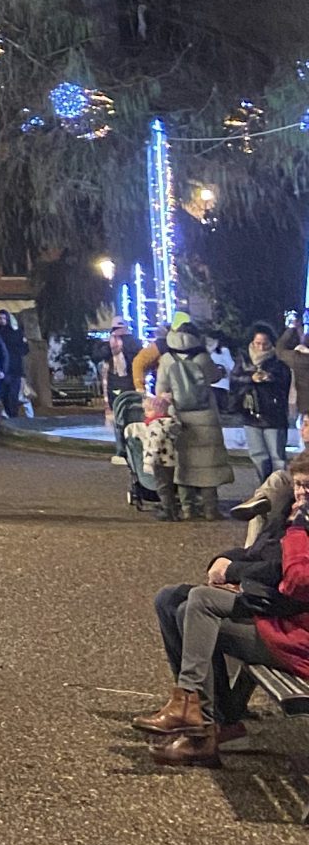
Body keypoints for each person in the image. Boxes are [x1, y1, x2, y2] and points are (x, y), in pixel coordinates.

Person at [134, 449, 309, 766]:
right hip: (277, 617)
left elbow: (292, 580)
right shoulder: (292, 515)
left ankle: (200, 718)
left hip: (291, 632)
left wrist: (238, 578)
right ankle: (205, 719)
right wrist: (224, 564)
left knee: (196, 606)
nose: (301, 494)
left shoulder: (302, 524)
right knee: (175, 600)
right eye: (298, 485)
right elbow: (260, 554)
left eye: (308, 487)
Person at [158, 313, 232, 518]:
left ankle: (188, 509)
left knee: (183, 465)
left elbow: (161, 389)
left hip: (179, 416)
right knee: (207, 464)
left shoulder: (166, 359)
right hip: (205, 415)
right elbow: (214, 377)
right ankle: (211, 510)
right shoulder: (202, 357)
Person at [230, 328, 293, 482]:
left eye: (265, 344)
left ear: (271, 344)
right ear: (252, 342)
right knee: (258, 455)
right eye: (258, 343)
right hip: (250, 414)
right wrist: (251, 378)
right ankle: (264, 487)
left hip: (273, 415)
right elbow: (234, 380)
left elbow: (285, 383)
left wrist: (269, 377)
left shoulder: (278, 363)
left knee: (277, 457)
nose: (261, 347)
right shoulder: (244, 361)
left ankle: (279, 489)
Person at [100, 323, 144, 457]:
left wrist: (126, 341)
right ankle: (122, 448)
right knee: (117, 417)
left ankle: (132, 445)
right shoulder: (107, 343)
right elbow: (99, 355)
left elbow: (137, 356)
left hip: (129, 382)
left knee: (132, 414)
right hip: (114, 382)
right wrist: (110, 345)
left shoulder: (132, 342)